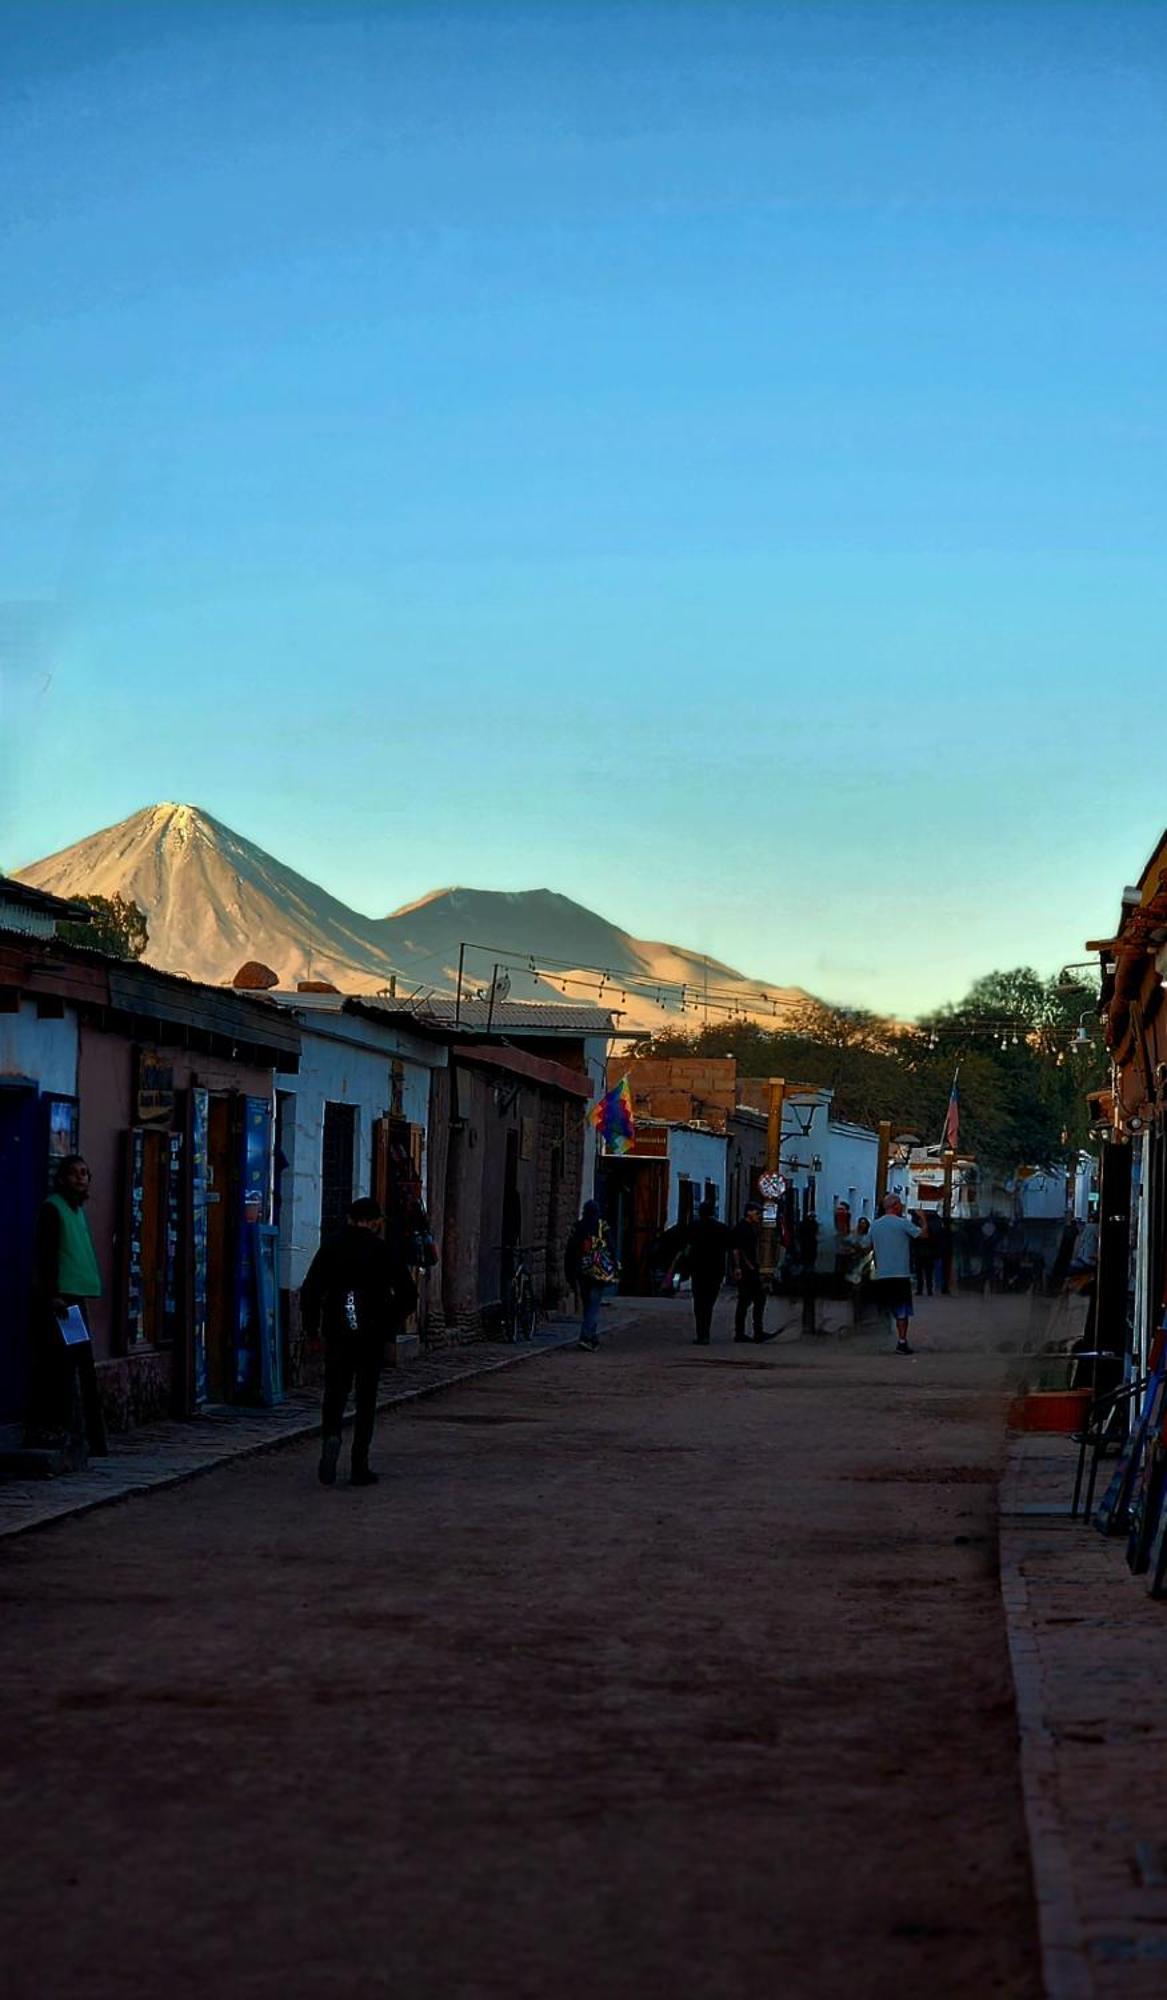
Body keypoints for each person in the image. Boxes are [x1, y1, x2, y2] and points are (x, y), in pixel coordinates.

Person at [301, 1196, 417, 1487]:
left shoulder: (331, 1247)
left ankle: (331, 1436)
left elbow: (311, 1291)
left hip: (338, 1330)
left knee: (335, 1392)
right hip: (371, 1334)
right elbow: (408, 1294)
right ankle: (359, 1465)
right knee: (366, 1400)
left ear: (349, 1219)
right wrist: (389, 1322)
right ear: (376, 1221)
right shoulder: (382, 1250)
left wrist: (311, 1330)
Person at [25, 1154, 109, 1455]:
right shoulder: (54, 1208)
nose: (81, 1178)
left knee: (80, 1365)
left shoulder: (76, 1211)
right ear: (62, 1178)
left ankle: (88, 1437)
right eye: (74, 1173)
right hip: (61, 1302)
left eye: (85, 1173)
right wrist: (52, 1294)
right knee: (59, 1367)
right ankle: (53, 1430)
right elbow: (46, 1254)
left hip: (76, 1299)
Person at [869, 1193, 923, 1354]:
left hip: (882, 1273)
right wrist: (923, 1219)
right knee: (902, 1310)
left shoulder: (875, 1225)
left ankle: (877, 1339)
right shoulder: (902, 1224)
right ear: (895, 1205)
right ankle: (901, 1341)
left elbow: (866, 1244)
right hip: (900, 1273)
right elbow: (922, 1235)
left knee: (884, 1307)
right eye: (900, 1204)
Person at [564, 1200, 618, 1351]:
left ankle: (591, 1335)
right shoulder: (602, 1226)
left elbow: (570, 1251)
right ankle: (587, 1336)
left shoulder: (578, 1227)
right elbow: (611, 1247)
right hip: (598, 1271)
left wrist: (569, 1274)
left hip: (582, 1271)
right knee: (593, 1305)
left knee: (588, 1303)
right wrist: (614, 1264)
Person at [684, 1199, 730, 1344]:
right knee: (709, 1303)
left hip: (698, 1269)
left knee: (699, 1302)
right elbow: (728, 1247)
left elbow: (688, 1247)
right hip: (716, 1269)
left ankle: (701, 1333)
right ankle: (705, 1333)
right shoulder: (722, 1228)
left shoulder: (694, 1227)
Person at [730, 1198, 767, 1343]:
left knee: (752, 1300)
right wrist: (741, 1267)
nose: (759, 1216)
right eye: (757, 1213)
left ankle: (752, 1331)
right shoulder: (742, 1228)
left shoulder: (750, 1228)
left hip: (750, 1268)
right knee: (750, 1299)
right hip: (747, 1270)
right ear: (749, 1212)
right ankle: (750, 1332)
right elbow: (737, 1249)